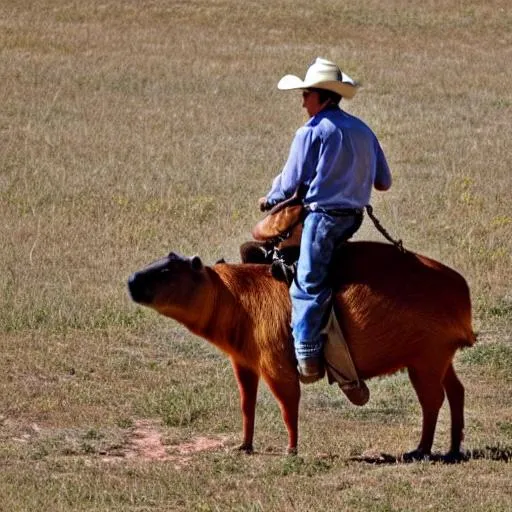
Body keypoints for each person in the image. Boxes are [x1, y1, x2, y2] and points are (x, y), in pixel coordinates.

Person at [259, 57, 392, 383]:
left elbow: (290, 184)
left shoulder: (311, 132)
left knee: (307, 283)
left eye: (306, 95)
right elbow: (384, 182)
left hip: (323, 220)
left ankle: (306, 357)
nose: (303, 101)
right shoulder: (363, 130)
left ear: (322, 96)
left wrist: (271, 199)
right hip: (353, 219)